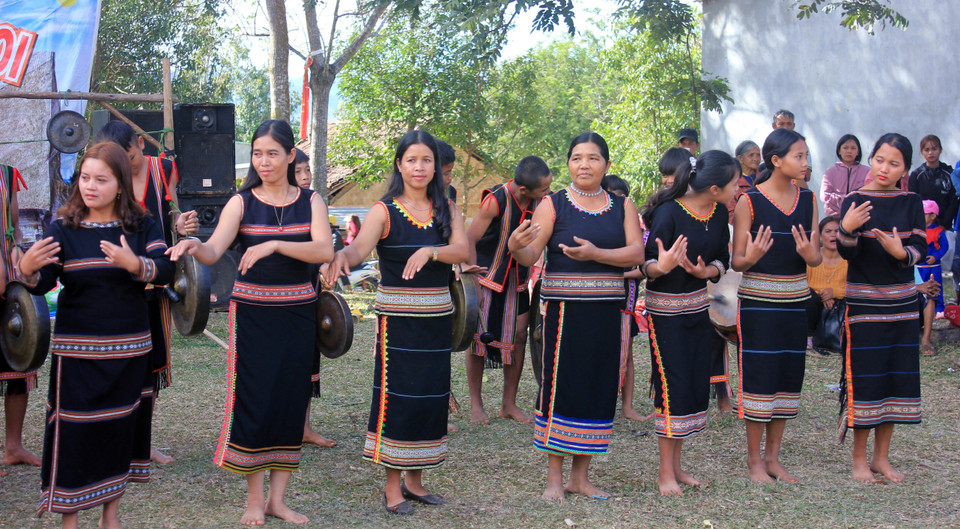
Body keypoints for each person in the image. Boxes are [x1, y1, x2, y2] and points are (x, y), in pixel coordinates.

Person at [167, 120, 332, 525]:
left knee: (290, 401)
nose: (264, 161)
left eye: (272, 153)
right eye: (258, 153)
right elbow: (213, 250)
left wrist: (275, 244)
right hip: (253, 316)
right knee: (256, 402)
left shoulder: (310, 201)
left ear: (291, 155)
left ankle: (278, 500)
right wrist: (194, 245)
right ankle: (255, 501)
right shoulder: (241, 203)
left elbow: (323, 249)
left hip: (297, 314)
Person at [18, 142, 174, 528]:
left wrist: (134, 263)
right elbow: (44, 284)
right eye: (85, 177)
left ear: (120, 185)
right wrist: (28, 270)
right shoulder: (63, 229)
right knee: (73, 432)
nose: (90, 186)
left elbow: (166, 270)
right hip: (77, 356)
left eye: (101, 179)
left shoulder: (141, 226)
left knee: (117, 431)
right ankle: (69, 519)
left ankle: (111, 517)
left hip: (127, 353)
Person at [323, 129, 468, 515]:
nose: (419, 167)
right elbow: (358, 249)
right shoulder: (384, 211)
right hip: (399, 324)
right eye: (411, 160)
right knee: (398, 399)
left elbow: (462, 249)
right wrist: (340, 258)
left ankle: (416, 481)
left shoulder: (446, 208)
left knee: (430, 397)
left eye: (426, 160)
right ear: (399, 165)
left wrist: (431, 251)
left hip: (437, 319)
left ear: (435, 166)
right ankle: (392, 488)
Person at [508, 132, 644, 501]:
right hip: (564, 313)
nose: (584, 164)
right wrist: (514, 247)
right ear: (568, 163)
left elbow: (635, 253)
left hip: (606, 312)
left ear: (607, 165)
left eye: (593, 158)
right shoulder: (553, 205)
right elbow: (531, 251)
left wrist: (597, 253)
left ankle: (580, 477)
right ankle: (554, 478)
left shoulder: (622, 206)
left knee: (598, 387)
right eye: (577, 158)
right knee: (560, 387)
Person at [95, 121, 199, 466]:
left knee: (150, 367)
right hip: (115, 289)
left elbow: (172, 213)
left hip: (155, 283)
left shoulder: (163, 168)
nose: (127, 165)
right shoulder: (103, 179)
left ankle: (143, 443)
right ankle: (110, 440)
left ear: (140, 143)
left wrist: (179, 224)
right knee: (112, 367)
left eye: (130, 156)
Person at [641, 150, 738, 495]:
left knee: (691, 385)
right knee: (671, 386)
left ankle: (677, 468)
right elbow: (645, 264)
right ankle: (664, 473)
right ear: (714, 187)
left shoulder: (720, 211)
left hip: (699, 308)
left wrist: (706, 272)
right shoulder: (667, 213)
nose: (737, 190)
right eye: (734, 184)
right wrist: (663, 266)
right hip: (665, 313)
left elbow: (722, 261)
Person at [732, 128, 821, 484]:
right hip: (758, 304)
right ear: (776, 161)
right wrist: (749, 257)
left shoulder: (809, 200)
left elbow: (816, 257)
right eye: (798, 156)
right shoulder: (748, 201)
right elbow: (736, 260)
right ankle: (754, 461)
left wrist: (808, 253)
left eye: (805, 155)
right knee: (760, 378)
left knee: (787, 376)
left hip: (796, 301)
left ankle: (773, 458)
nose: (805, 162)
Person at [836, 132, 925, 483]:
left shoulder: (911, 201)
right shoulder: (854, 200)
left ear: (905, 169)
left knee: (894, 380)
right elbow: (847, 252)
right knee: (867, 382)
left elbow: (920, 245)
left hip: (903, 306)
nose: (884, 168)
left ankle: (881, 458)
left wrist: (901, 253)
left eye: (894, 163)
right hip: (864, 308)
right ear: (870, 160)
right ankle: (859, 461)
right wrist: (847, 228)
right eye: (879, 159)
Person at [463, 156, 552, 425]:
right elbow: (470, 238)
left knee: (520, 338)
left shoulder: (541, 204)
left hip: (519, 281)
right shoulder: (495, 200)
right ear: (524, 189)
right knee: (479, 339)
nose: (548, 193)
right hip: (487, 278)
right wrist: (469, 275)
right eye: (544, 189)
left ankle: (508, 404)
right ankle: (476, 405)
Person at [293, 147, 338, 449]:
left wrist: (326, 263)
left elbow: (325, 246)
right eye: (298, 171)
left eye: (307, 169)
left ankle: (305, 428)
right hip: (281, 294)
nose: (306, 176)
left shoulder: (314, 202)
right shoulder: (271, 205)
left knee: (308, 359)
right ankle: (281, 428)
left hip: (310, 291)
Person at [0, 162, 39, 476]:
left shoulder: (7, 174)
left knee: (17, 361)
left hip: (6, 285)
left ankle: (13, 446)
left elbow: (13, 229)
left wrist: (17, 254)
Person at [599, 174, 645, 421]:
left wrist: (616, 268)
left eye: (621, 198)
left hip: (625, 299)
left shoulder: (635, 226)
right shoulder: (596, 225)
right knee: (599, 351)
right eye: (612, 197)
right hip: (600, 298)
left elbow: (643, 262)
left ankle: (627, 407)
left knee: (626, 355)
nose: (617, 203)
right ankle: (600, 405)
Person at [908, 135, 956, 273]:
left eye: (934, 148)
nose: (931, 152)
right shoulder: (916, 175)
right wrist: (920, 225)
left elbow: (954, 201)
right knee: (923, 265)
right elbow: (913, 202)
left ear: (940, 150)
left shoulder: (949, 174)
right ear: (921, 152)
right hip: (923, 229)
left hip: (943, 228)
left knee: (946, 264)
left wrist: (944, 225)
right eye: (927, 149)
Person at [805, 216, 848, 356]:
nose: (833, 235)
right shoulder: (812, 257)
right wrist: (824, 294)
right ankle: (808, 339)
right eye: (828, 231)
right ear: (821, 236)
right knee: (808, 295)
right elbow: (804, 282)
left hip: (839, 305)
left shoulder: (849, 259)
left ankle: (845, 340)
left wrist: (834, 292)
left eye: (837, 231)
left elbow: (854, 287)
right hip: (814, 304)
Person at [820, 134, 871, 217]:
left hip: (859, 217)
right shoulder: (830, 171)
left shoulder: (867, 171)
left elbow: (868, 195)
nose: (849, 151)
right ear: (839, 151)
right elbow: (825, 195)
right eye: (845, 148)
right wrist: (847, 202)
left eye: (853, 148)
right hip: (835, 217)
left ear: (858, 152)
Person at [919, 201, 947, 314]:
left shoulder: (938, 231)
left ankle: (939, 308)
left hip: (933, 266)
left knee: (936, 286)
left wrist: (936, 256)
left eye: (924, 214)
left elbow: (945, 246)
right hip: (919, 266)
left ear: (933, 216)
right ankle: (921, 308)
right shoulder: (918, 230)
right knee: (920, 287)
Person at [731, 140, 761, 217]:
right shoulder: (733, 181)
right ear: (740, 158)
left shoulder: (764, 178)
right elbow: (731, 212)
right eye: (751, 155)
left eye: (758, 155)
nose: (756, 159)